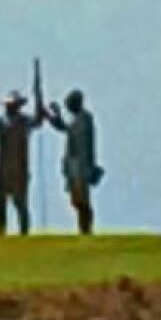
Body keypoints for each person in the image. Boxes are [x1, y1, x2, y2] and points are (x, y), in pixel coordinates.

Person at [0, 91, 42, 236]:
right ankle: (0, 234)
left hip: (19, 171)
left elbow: (38, 121)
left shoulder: (24, 121)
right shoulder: (1, 121)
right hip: (1, 170)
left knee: (21, 206)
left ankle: (24, 235)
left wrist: (39, 101)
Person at [41, 88, 102, 235]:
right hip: (74, 166)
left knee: (82, 200)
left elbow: (68, 129)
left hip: (81, 165)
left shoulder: (84, 119)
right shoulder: (78, 119)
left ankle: (86, 229)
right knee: (76, 199)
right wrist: (53, 115)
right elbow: (65, 127)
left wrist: (54, 116)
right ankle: (84, 227)